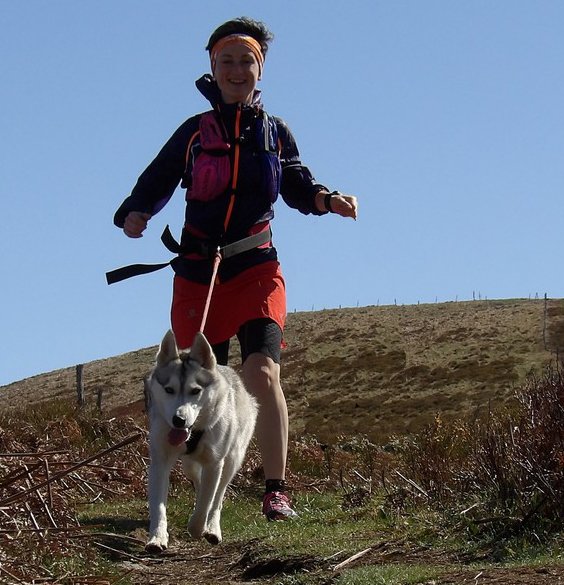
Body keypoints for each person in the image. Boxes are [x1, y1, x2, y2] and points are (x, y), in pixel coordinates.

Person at [113, 17, 358, 521]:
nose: (236, 69)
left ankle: (275, 489)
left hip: (255, 267)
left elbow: (295, 181)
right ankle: (198, 475)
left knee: (260, 371)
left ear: (259, 69)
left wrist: (325, 199)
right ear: (212, 67)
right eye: (226, 60)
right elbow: (157, 178)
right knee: (192, 379)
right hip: (198, 270)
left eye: (246, 61)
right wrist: (134, 212)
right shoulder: (192, 133)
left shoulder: (274, 132)